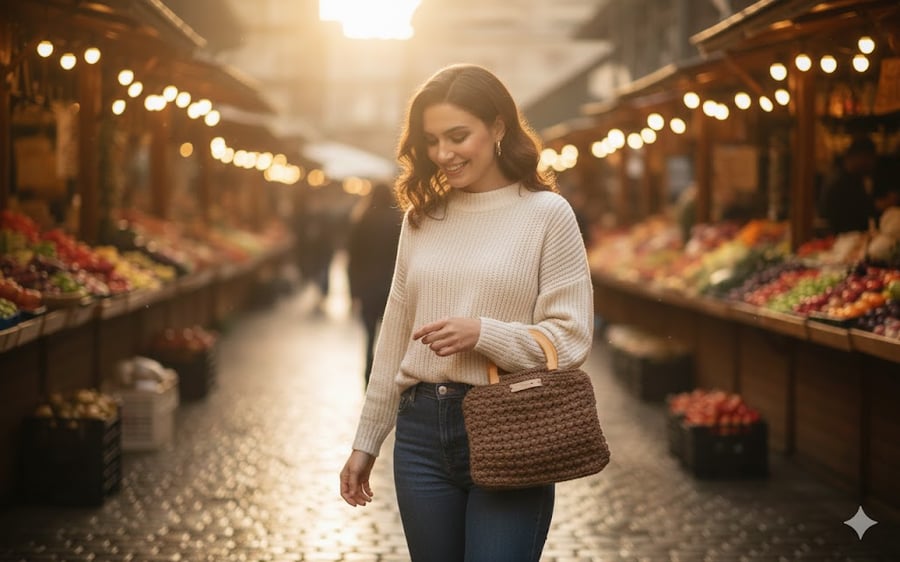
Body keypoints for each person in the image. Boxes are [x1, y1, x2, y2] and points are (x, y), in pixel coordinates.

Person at [339, 64, 594, 562]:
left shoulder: (547, 214)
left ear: (498, 127)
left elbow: (571, 340)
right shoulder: (422, 217)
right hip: (420, 438)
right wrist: (367, 441)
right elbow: (394, 333)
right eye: (431, 140)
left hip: (510, 426)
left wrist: (484, 332)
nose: (443, 154)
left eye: (458, 136)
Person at [346, 181, 403, 385]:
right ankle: (387, 374)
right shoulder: (398, 219)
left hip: (367, 285)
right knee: (391, 335)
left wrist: (352, 292)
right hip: (391, 285)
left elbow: (352, 258)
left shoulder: (362, 219)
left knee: (369, 333)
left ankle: (368, 370)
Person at [818, 135, 880, 234]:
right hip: (841, 241)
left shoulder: (855, 178)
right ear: (859, 156)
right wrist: (876, 206)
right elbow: (847, 217)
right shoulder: (839, 181)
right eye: (869, 158)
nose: (872, 163)